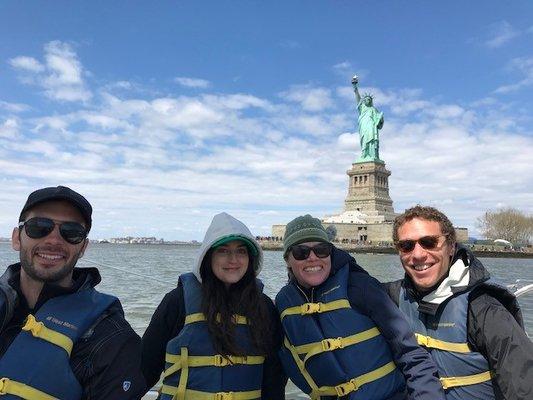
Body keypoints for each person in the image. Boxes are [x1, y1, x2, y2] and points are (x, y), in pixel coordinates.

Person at [276, 214, 445, 400]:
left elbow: (411, 355)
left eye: (322, 250)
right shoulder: (284, 304)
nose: (312, 258)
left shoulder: (360, 287)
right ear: (287, 259)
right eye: (301, 252)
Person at [0, 185, 145, 399]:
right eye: (39, 226)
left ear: (83, 247)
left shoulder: (111, 337)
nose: (53, 240)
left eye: (71, 232)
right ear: (16, 238)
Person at [384, 205, 533, 400]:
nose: (418, 254)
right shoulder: (390, 296)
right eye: (406, 246)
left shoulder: (484, 309)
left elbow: (523, 388)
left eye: (429, 242)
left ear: (451, 246)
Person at [141, 212, 286, 399]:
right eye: (223, 250)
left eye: (241, 251)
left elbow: (273, 381)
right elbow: (144, 368)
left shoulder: (264, 307)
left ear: (251, 258)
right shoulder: (177, 302)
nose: (233, 260)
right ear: (208, 256)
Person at [352, 76, 384, 162]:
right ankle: (364, 154)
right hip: (363, 126)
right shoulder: (362, 108)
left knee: (372, 140)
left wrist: (380, 119)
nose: (368, 101)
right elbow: (357, 98)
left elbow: (379, 122)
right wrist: (355, 87)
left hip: (371, 127)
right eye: (366, 99)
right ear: (364, 101)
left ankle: (373, 155)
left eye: (369, 99)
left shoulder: (374, 110)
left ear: (371, 101)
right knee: (364, 139)